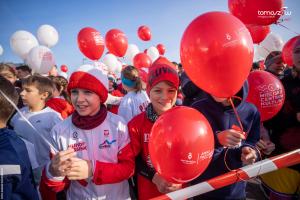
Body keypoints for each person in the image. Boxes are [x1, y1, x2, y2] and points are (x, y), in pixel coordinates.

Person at [41, 65, 135, 199]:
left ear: (101, 95)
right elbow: (56, 186)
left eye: (88, 92)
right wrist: (53, 172)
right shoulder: (59, 131)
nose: (79, 99)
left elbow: (129, 168)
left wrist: (93, 170)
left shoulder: (118, 124)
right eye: (74, 92)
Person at [191, 81, 261, 200]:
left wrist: (249, 151)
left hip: (236, 187)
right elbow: (191, 146)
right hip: (204, 187)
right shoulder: (198, 109)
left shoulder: (251, 111)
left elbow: (252, 141)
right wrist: (216, 140)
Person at [128, 57, 185, 200]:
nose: (165, 97)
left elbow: (193, 157)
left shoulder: (186, 120)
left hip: (179, 192)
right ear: (148, 92)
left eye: (171, 90)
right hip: (149, 193)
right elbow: (133, 159)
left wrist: (183, 178)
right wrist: (154, 177)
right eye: (158, 90)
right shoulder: (136, 124)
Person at [10, 75, 63, 200]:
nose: (22, 93)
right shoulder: (19, 113)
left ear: (44, 95)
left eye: (28, 90)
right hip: (21, 174)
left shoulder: (53, 117)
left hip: (44, 176)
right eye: (22, 89)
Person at [260, 38, 300, 200]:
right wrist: (296, 117)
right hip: (284, 158)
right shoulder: (280, 85)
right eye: (297, 51)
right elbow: (269, 120)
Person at [0, 75, 39, 200]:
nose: (22, 93)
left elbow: (36, 176)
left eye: (28, 90)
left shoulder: (5, 157)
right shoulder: (19, 116)